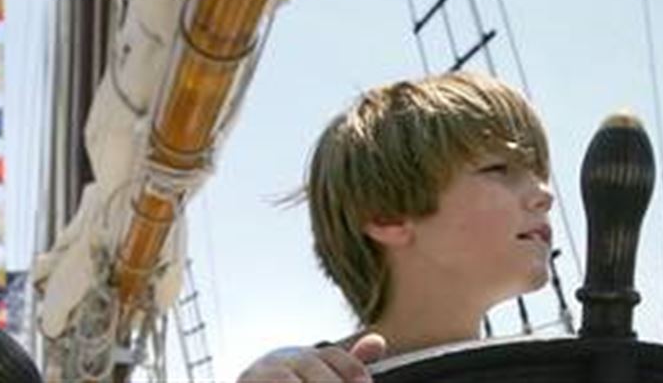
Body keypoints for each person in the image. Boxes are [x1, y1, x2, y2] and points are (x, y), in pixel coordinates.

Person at [237, 70, 554, 383]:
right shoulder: (299, 375)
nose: (545, 194)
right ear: (386, 216)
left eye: (539, 174)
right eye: (498, 169)